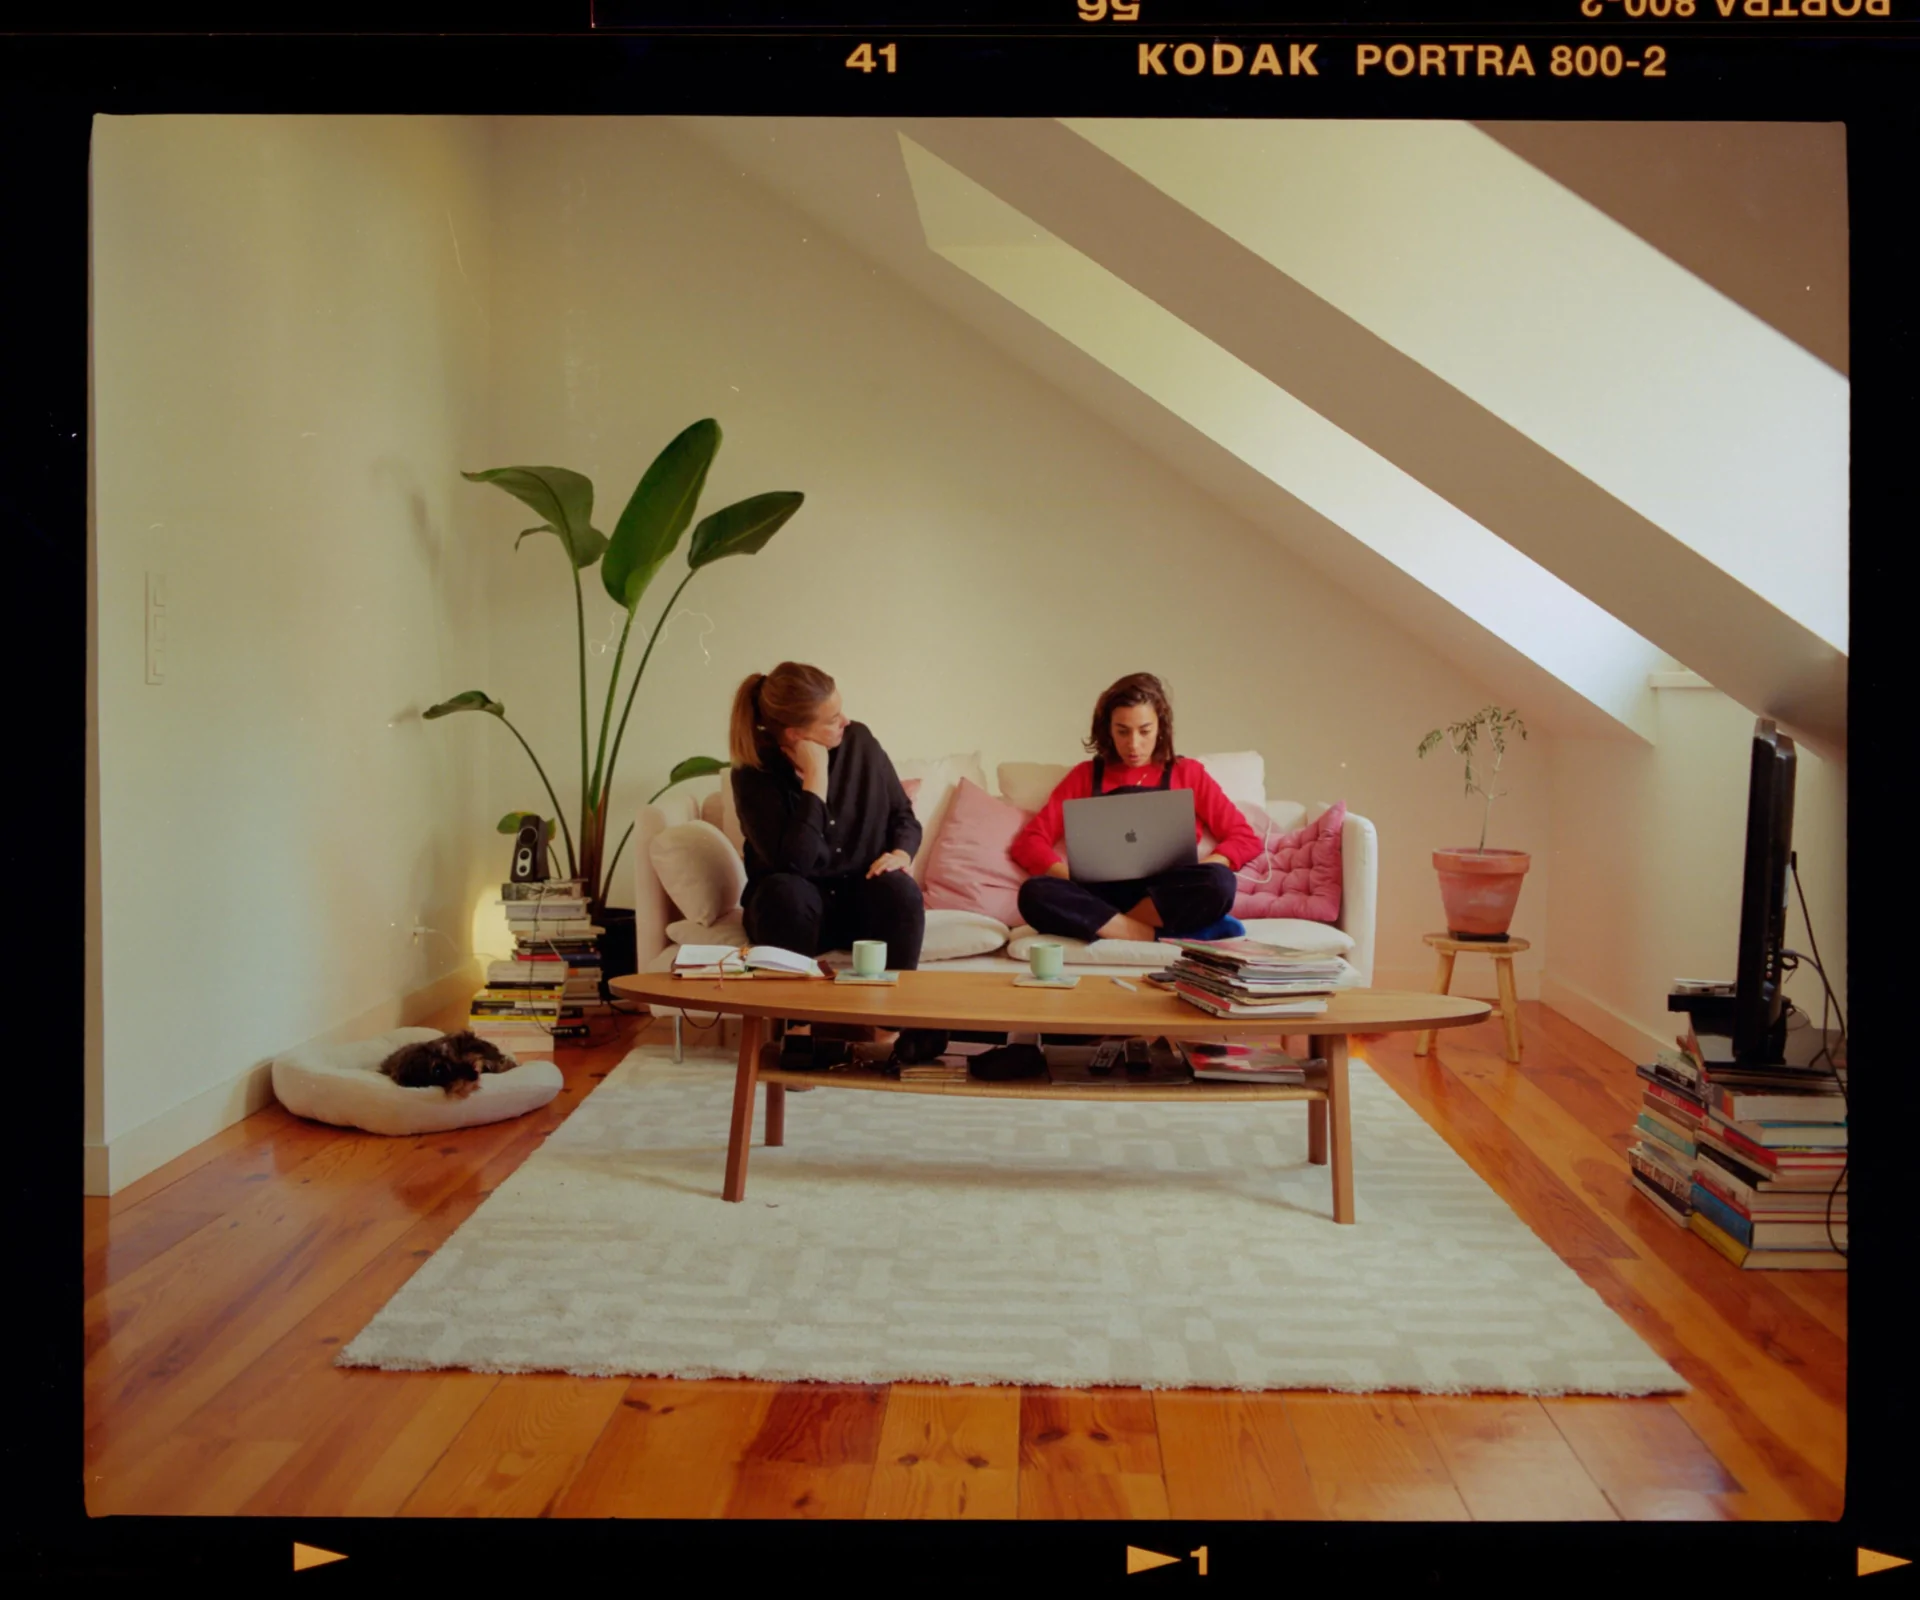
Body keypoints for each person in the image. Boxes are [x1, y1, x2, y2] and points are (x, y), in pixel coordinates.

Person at [1012, 672, 1261, 945]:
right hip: (1100, 893)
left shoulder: (1187, 773)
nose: (1133, 744)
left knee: (1219, 883)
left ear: (1160, 727)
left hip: (1165, 893)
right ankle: (1153, 935)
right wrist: (1074, 880)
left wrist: (1206, 866)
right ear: (1107, 728)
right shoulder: (1085, 776)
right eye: (1122, 731)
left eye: (1144, 731)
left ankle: (1110, 925)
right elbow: (1029, 842)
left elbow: (1244, 838)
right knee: (1034, 894)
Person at [727, 661, 926, 970]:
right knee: (786, 894)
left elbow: (902, 813)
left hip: (860, 901)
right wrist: (815, 778)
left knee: (900, 892)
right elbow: (794, 864)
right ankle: (794, 1016)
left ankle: (893, 1017)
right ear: (795, 734)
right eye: (833, 719)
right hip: (792, 908)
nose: (845, 722)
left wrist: (901, 853)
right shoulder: (753, 773)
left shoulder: (859, 742)